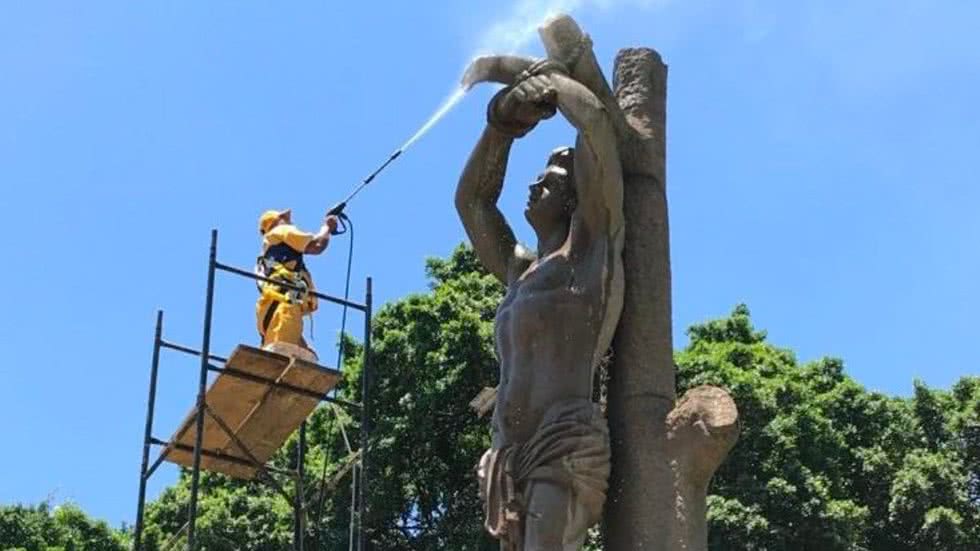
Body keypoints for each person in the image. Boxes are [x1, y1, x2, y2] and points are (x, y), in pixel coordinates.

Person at [456, 62, 625, 550]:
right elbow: (473, 203)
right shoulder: (519, 269)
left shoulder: (589, 253)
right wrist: (502, 125)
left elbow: (595, 130)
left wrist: (555, 86)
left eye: (549, 180)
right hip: (510, 455)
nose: (533, 187)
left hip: (564, 444)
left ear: (577, 199)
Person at [255, 209, 337, 357]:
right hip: (285, 306)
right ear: (277, 221)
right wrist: (327, 227)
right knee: (281, 360)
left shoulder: (268, 257)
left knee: (279, 356)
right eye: (285, 218)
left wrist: (303, 346)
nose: (290, 221)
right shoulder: (281, 230)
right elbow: (316, 246)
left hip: (271, 312)